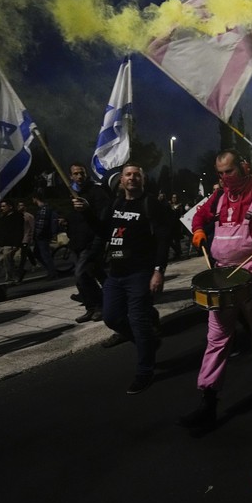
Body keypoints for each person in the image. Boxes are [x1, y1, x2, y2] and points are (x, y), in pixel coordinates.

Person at [181, 149, 252, 430]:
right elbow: (197, 217)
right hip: (222, 276)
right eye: (220, 173)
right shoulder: (217, 196)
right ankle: (208, 400)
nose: (224, 178)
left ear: (242, 168)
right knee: (217, 338)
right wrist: (198, 231)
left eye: (228, 171)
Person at [78, 163, 169, 394]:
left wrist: (159, 271)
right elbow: (102, 231)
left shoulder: (151, 204)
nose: (132, 178)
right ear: (121, 181)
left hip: (140, 274)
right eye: (128, 175)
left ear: (143, 179)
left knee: (139, 322)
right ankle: (148, 343)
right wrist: (87, 212)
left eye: (136, 174)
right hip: (115, 275)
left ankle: (144, 371)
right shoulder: (115, 205)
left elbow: (162, 240)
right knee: (112, 318)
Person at [66, 162, 109, 323]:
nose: (79, 176)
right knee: (93, 274)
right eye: (75, 173)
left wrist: (87, 208)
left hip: (91, 240)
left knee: (81, 274)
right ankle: (90, 308)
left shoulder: (96, 191)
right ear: (71, 176)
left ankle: (101, 306)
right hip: (76, 241)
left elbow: (104, 215)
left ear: (86, 174)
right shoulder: (71, 192)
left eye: (81, 173)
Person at [32, 191, 58, 280]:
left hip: (42, 236)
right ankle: (51, 270)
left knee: (45, 254)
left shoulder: (43, 209)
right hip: (43, 235)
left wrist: (36, 235)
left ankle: (52, 272)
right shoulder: (44, 208)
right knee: (38, 253)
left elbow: (41, 224)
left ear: (35, 198)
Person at [0, 200, 24, 283]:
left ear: (10, 207)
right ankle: (16, 272)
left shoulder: (17, 216)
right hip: (2, 242)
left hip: (10, 242)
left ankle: (10, 277)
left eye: (4, 206)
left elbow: (18, 230)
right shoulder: (3, 217)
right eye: (1, 206)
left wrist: (16, 244)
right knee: (0, 259)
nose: (2, 208)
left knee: (8, 260)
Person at [15, 200, 37, 282]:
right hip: (20, 238)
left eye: (21, 205)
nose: (19, 207)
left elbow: (32, 227)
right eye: (18, 205)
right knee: (27, 252)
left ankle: (19, 273)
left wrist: (31, 238)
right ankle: (34, 263)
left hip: (26, 238)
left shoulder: (28, 216)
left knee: (23, 256)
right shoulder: (17, 216)